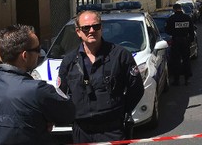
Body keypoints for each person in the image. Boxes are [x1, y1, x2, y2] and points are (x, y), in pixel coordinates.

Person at [0, 24, 75, 145]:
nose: (40, 53)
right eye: (37, 49)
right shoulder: (36, 89)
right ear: (25, 56)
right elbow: (69, 113)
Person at [58, 10, 144, 143]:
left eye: (96, 26)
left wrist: (120, 110)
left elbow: (136, 88)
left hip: (112, 130)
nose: (91, 30)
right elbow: (61, 95)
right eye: (86, 28)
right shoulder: (69, 61)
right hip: (82, 131)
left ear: (101, 28)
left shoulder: (120, 56)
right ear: (78, 32)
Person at [165, 3, 195, 86]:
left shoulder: (171, 18)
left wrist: (174, 34)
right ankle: (187, 79)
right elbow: (191, 31)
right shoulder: (187, 18)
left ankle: (177, 80)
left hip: (176, 41)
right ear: (181, 9)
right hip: (185, 41)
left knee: (176, 61)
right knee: (186, 60)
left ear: (174, 9)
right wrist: (190, 40)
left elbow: (167, 30)